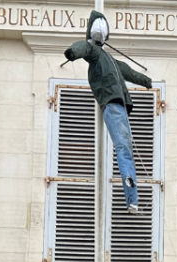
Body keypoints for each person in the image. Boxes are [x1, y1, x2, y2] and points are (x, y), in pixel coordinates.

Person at [64, 10, 152, 214]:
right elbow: (83, 47)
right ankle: (132, 198)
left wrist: (146, 82)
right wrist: (72, 52)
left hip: (118, 107)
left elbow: (130, 72)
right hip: (113, 106)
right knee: (124, 150)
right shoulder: (95, 53)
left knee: (126, 150)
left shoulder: (111, 60)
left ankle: (132, 196)